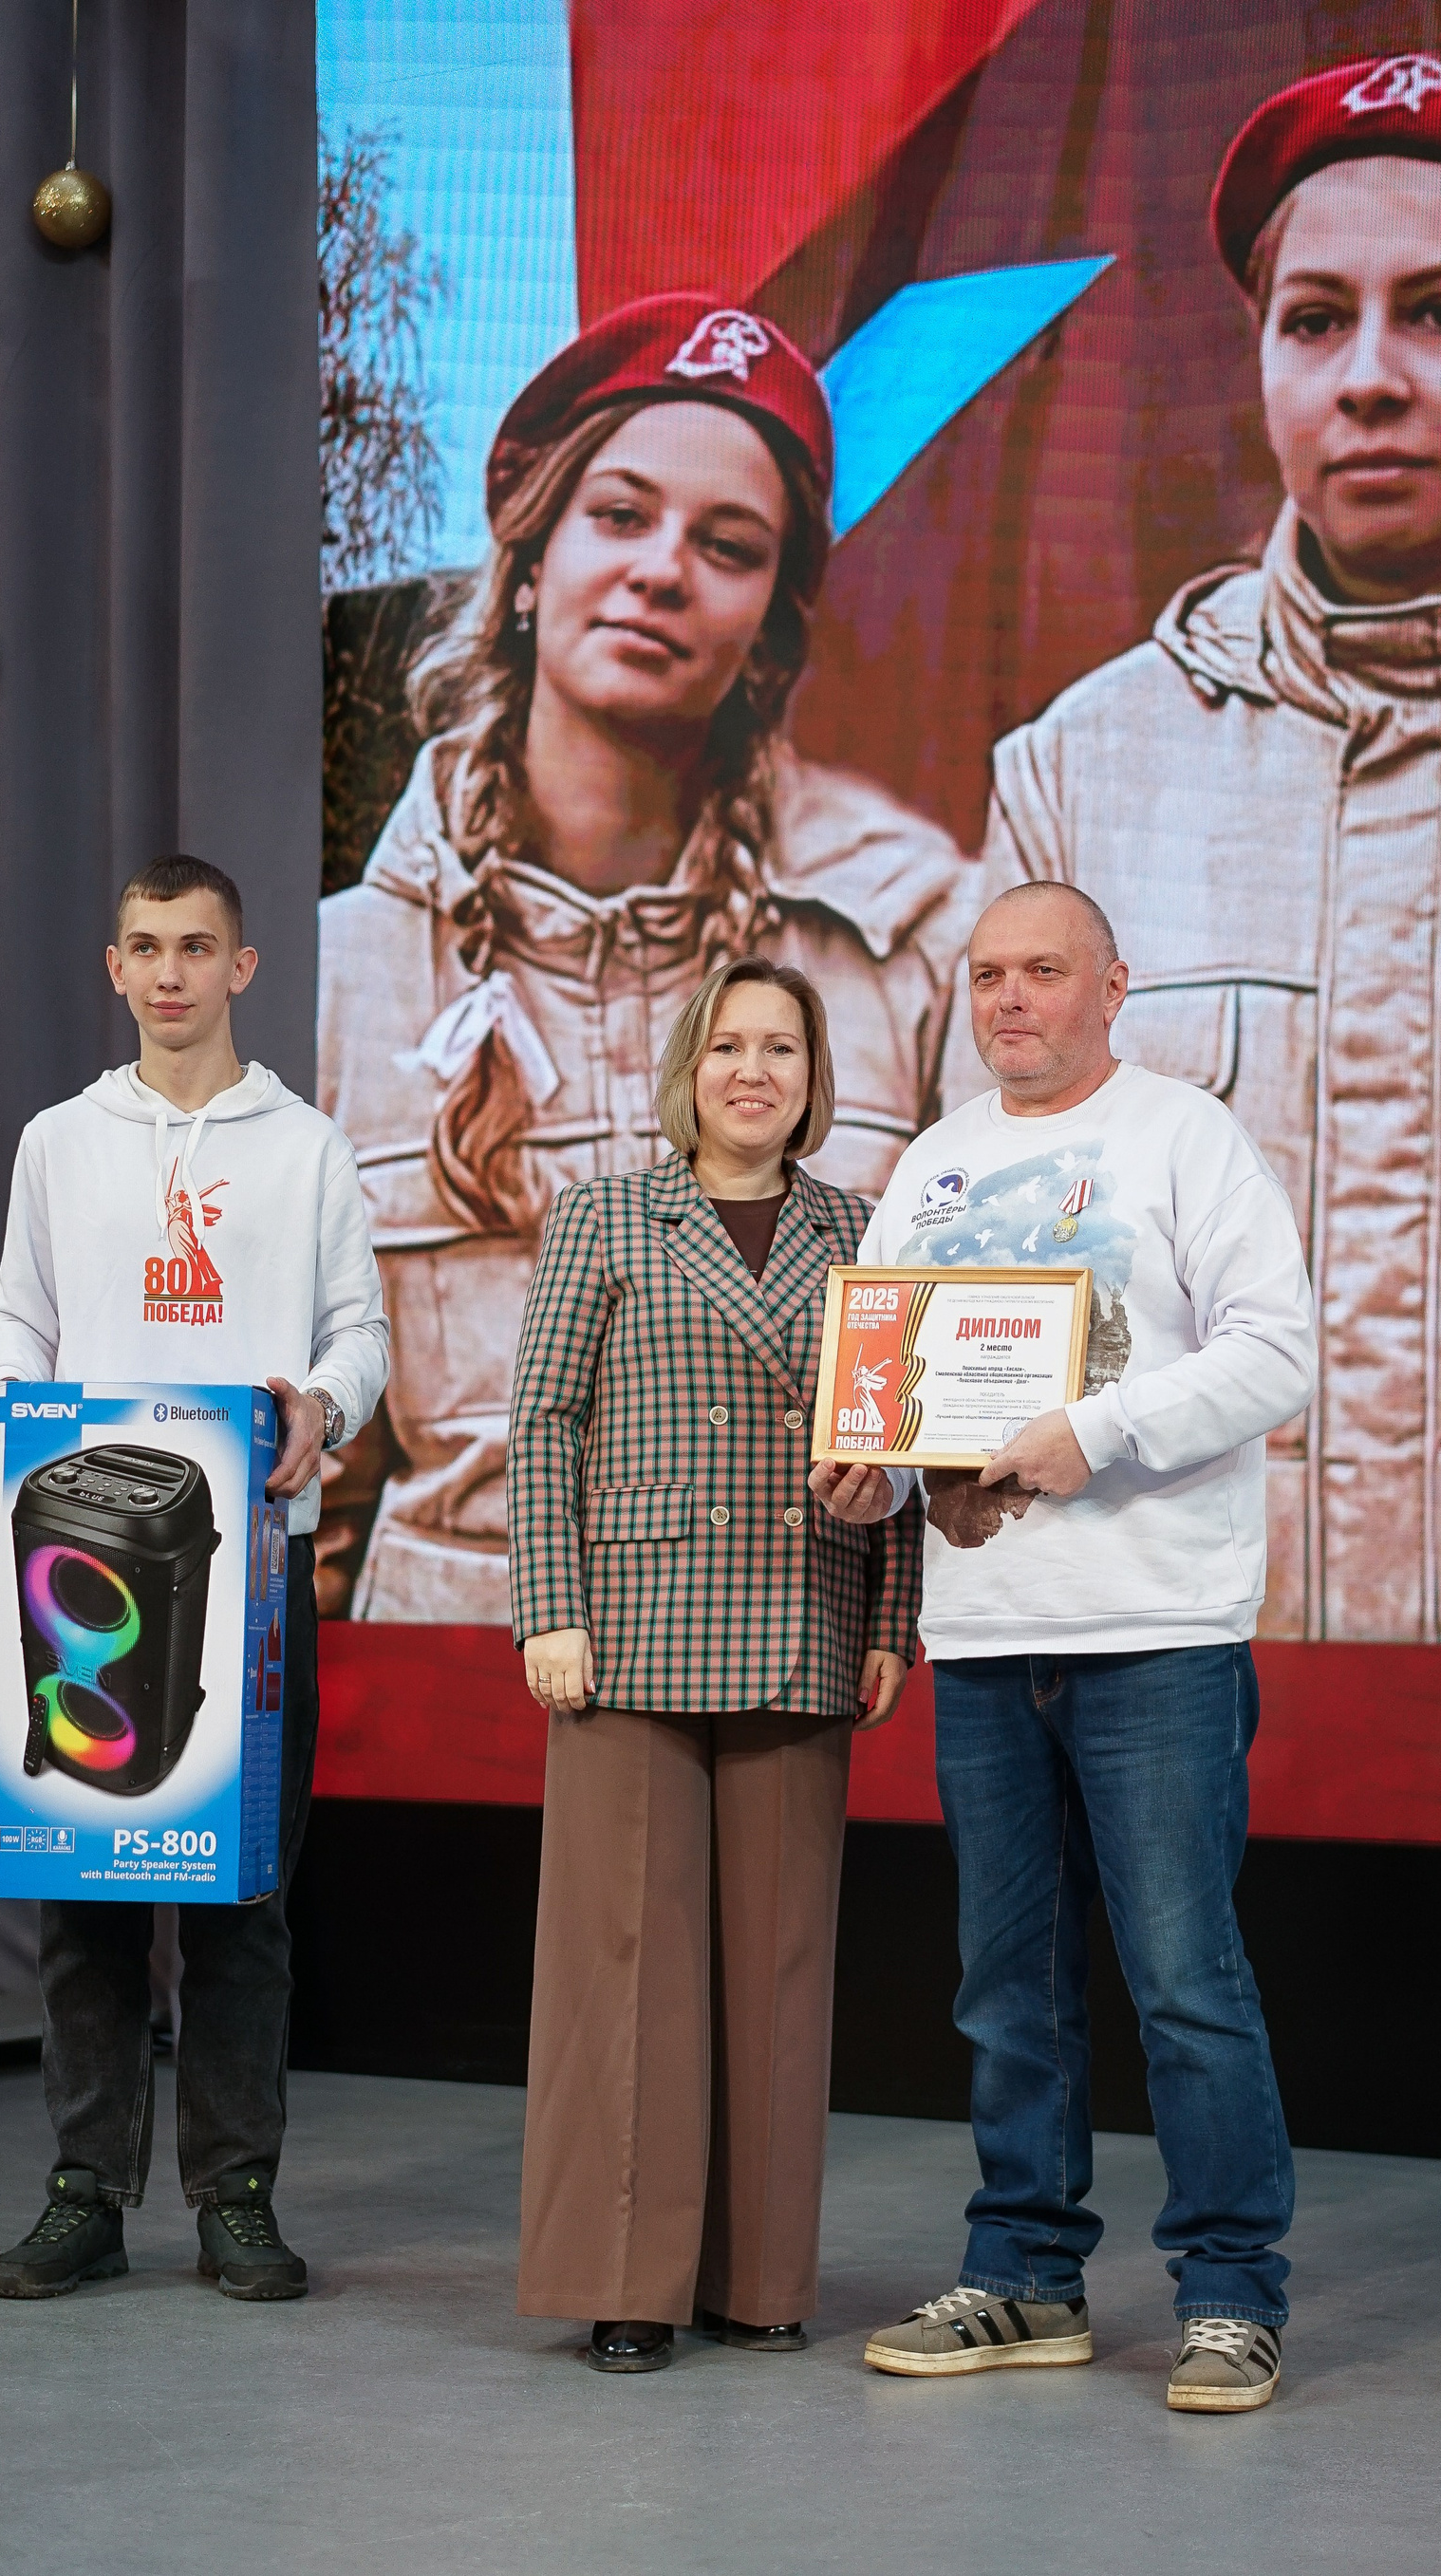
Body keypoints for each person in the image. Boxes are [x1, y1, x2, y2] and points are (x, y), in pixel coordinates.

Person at [944, 53, 1441, 1648]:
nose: (1367, 377)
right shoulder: (1086, 774)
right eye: (1314, 321)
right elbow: (981, 1294)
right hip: (1180, 1695)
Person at [317, 292, 968, 1623]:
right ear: (528, 561)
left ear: (768, 630)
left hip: (787, 1675)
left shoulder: (914, 955)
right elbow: (306, 1500)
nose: (663, 570)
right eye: (620, 515)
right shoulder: (342, 977)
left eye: (726, 546)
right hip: (453, 1701)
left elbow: (956, 1444)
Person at [820, 882, 1316, 2409]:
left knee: (1184, 1977)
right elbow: (892, 1388)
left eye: (1044, 970)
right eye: (989, 974)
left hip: (1157, 1627)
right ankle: (1026, 2274)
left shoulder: (1185, 1137)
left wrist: (1093, 1429)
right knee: (1005, 1986)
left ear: (1115, 984)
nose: (1011, 998)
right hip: (985, 1633)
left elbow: (1277, 1351)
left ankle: (1228, 2292)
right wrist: (869, 1471)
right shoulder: (934, 1161)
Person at [0, 856, 389, 2301]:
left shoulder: (308, 1147)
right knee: (81, 1888)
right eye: (145, 946)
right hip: (75, 1555)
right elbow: (19, 1316)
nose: (170, 972)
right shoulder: (60, 1141)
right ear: (115, 967)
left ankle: (236, 2193)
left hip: (251, 1566)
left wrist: (321, 1404)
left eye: (196, 947)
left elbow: (358, 1332)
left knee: (242, 1898)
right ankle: (85, 2189)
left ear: (242, 967)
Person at [509, 954, 921, 2372]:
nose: (755, 1071)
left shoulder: (865, 1230)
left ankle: (759, 2276)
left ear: (814, 1079)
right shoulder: (606, 1214)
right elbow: (545, 1421)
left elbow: (893, 1438)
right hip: (629, 1628)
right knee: (623, 1962)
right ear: (690, 1066)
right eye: (731, 1044)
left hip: (805, 1618)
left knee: (780, 1968)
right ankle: (627, 2278)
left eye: (782, 1049)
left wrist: (890, 1622)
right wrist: (548, 1608)